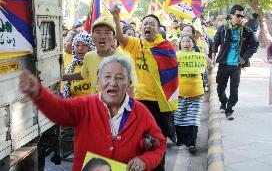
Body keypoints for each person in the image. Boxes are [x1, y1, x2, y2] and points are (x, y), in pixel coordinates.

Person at [19, 56, 166, 171]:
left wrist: (145, 161)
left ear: (129, 83)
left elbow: (159, 144)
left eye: (120, 78)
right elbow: (59, 109)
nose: (113, 82)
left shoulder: (141, 112)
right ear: (98, 79)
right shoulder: (85, 105)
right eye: (107, 76)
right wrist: (39, 93)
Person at [111, 5, 178, 171]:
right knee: (138, 142)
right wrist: (116, 18)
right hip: (138, 103)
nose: (148, 26)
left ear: (158, 29)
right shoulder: (135, 44)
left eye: (152, 24)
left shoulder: (166, 47)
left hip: (159, 104)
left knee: (157, 142)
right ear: (140, 28)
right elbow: (119, 36)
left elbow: (172, 78)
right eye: (145, 24)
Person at [63, 17, 136, 97]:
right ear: (92, 37)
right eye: (98, 32)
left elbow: (130, 89)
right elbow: (84, 74)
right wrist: (64, 77)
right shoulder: (89, 57)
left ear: (113, 37)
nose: (102, 36)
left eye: (107, 33)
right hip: (95, 107)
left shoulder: (124, 58)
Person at [212, 4, 259, 120]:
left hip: (236, 66)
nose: (240, 18)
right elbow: (215, 42)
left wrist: (245, 56)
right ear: (231, 15)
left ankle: (229, 110)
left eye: (242, 16)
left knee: (234, 89)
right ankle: (223, 101)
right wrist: (213, 57)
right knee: (220, 89)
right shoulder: (223, 28)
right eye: (238, 15)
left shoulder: (247, 31)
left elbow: (255, 44)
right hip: (223, 64)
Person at [60, 33, 95, 161]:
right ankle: (68, 153)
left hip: (91, 106)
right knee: (67, 131)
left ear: (90, 47)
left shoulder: (94, 63)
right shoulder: (71, 63)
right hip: (73, 104)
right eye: (77, 45)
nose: (79, 48)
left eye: (84, 46)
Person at [174, 35, 204, 154]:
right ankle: (181, 139)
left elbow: (207, 67)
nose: (186, 44)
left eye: (189, 41)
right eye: (183, 41)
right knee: (179, 117)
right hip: (179, 93)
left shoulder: (199, 57)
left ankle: (191, 143)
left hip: (196, 92)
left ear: (193, 44)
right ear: (180, 44)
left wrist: (208, 60)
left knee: (193, 118)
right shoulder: (175, 56)